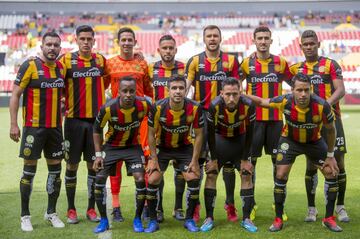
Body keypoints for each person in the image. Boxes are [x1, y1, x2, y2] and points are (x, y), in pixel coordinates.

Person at [247, 73, 342, 232]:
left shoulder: (322, 105)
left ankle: (328, 218)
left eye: (306, 90)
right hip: (289, 141)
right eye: (299, 90)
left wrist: (330, 156)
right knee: (280, 175)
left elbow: (331, 130)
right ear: (292, 90)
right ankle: (278, 219)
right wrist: (242, 95)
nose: (303, 94)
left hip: (314, 142)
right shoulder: (285, 101)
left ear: (311, 89)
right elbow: (262, 102)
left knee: (331, 173)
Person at [290, 29, 348, 223]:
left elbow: (340, 89)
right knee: (312, 164)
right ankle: (311, 208)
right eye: (305, 44)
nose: (309, 47)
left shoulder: (330, 64)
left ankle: (340, 206)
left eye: (312, 44)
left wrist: (325, 105)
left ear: (318, 44)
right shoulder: (296, 69)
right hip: (309, 123)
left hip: (332, 119)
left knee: (338, 163)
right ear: (300, 46)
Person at [10, 32, 66, 232]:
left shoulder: (61, 67)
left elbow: (63, 94)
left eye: (56, 45)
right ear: (42, 46)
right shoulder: (30, 65)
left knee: (55, 172)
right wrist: (14, 124)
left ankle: (51, 213)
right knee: (29, 171)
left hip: (55, 129)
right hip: (33, 128)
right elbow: (15, 94)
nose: (52, 48)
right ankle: (25, 216)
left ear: (60, 48)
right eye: (49, 44)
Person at [185, 25, 241, 222]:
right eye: (208, 36)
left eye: (215, 35)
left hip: (226, 119)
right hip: (202, 120)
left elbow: (237, 86)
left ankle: (230, 205)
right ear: (203, 39)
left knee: (227, 163)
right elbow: (186, 87)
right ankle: (197, 206)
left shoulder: (231, 61)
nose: (212, 39)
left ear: (221, 38)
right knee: (200, 162)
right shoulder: (194, 61)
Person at [240, 25, 292, 220]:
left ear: (271, 40)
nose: (263, 41)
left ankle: (278, 204)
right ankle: (251, 204)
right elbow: (235, 85)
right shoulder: (246, 64)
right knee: (250, 163)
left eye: (266, 38)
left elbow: (295, 84)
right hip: (253, 122)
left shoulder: (280, 62)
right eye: (259, 38)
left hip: (276, 121)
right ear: (254, 40)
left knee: (279, 163)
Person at [105, 27, 153, 222]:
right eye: (123, 39)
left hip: (139, 121)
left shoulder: (142, 64)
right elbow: (103, 87)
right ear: (118, 42)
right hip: (117, 120)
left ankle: (146, 205)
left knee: (144, 162)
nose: (126, 43)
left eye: (129, 39)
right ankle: (116, 206)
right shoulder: (110, 64)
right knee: (114, 164)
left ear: (134, 42)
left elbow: (149, 91)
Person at [60, 25, 108, 224]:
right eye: (83, 39)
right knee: (71, 165)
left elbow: (108, 82)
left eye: (89, 39)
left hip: (95, 123)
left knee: (93, 165)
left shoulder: (100, 61)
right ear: (76, 40)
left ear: (94, 40)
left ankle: (90, 209)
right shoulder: (66, 60)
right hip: (73, 122)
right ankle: (71, 209)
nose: (86, 42)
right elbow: (59, 84)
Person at [146, 75, 204, 233]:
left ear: (186, 90)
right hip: (162, 147)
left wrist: (195, 160)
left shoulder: (195, 107)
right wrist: (153, 158)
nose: (178, 91)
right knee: (153, 179)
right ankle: (153, 220)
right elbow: (151, 134)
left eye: (181, 88)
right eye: (174, 88)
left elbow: (199, 135)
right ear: (168, 90)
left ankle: (189, 219)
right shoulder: (157, 107)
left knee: (193, 178)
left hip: (184, 147)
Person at [92, 76, 150, 233]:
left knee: (140, 178)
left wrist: (152, 151)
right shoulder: (108, 108)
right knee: (99, 178)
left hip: (133, 147)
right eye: (125, 91)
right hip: (111, 147)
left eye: (132, 91)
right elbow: (97, 130)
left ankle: (137, 218)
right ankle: (103, 219)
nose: (128, 94)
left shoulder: (144, 105)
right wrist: (98, 154)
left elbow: (153, 124)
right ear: (118, 91)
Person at [200, 77, 257, 232]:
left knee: (246, 174)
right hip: (220, 141)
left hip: (240, 141)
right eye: (228, 94)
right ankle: (209, 217)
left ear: (240, 93)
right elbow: (210, 134)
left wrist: (246, 159)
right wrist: (213, 158)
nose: (231, 98)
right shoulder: (214, 105)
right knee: (211, 174)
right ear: (221, 93)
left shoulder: (249, 105)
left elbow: (251, 132)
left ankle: (246, 219)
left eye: (235, 94)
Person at [148, 34, 186, 222]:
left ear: (176, 50)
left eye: (171, 48)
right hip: (158, 129)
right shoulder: (151, 69)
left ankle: (178, 208)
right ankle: (159, 208)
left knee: (181, 171)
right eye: (165, 48)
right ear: (159, 50)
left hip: (181, 127)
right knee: (158, 172)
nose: (168, 51)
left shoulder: (184, 68)